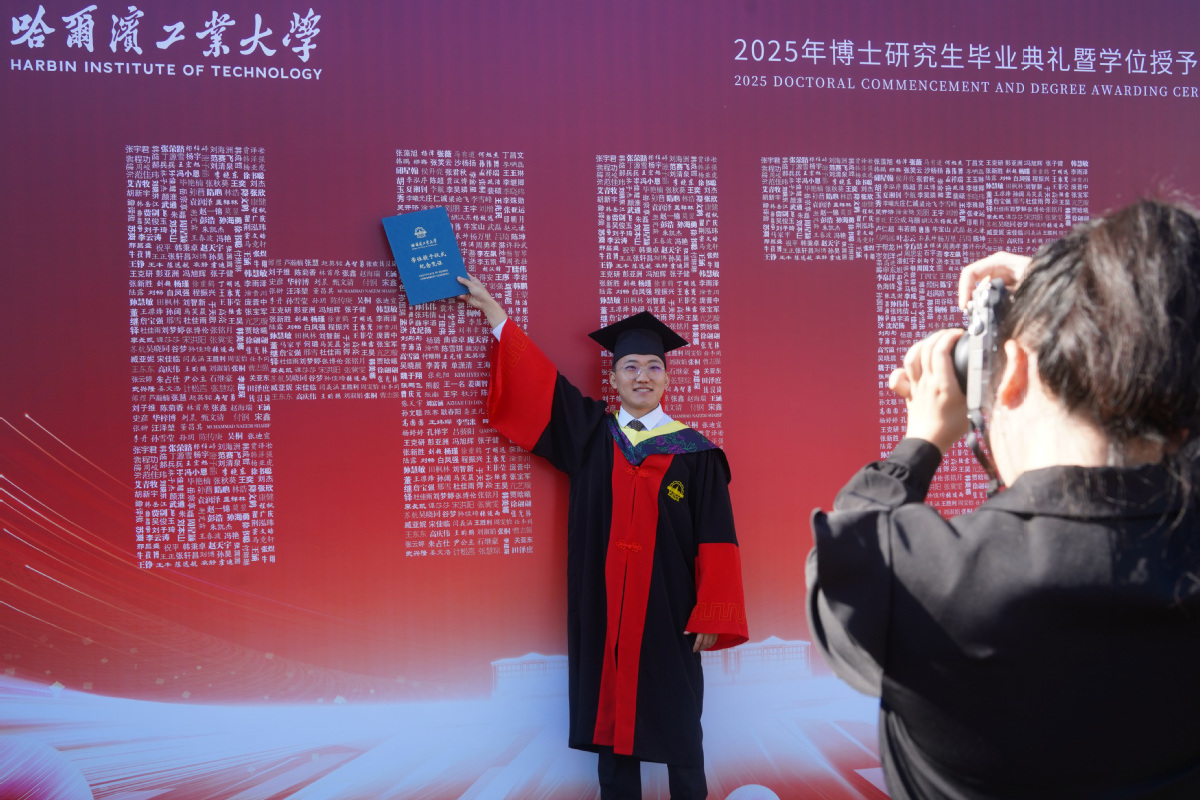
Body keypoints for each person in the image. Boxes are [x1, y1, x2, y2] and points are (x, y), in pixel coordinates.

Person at [806, 199, 1200, 798]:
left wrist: (921, 440)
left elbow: (848, 547)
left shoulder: (913, 576)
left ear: (1010, 371)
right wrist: (1106, 304)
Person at [457, 276, 748, 800]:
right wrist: (495, 316)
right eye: (631, 366)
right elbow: (541, 387)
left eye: (654, 366)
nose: (643, 376)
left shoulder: (697, 453)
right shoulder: (592, 435)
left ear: (667, 377)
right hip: (605, 608)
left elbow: (717, 538)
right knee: (612, 730)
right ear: (613, 377)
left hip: (670, 611)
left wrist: (713, 611)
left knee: (682, 727)